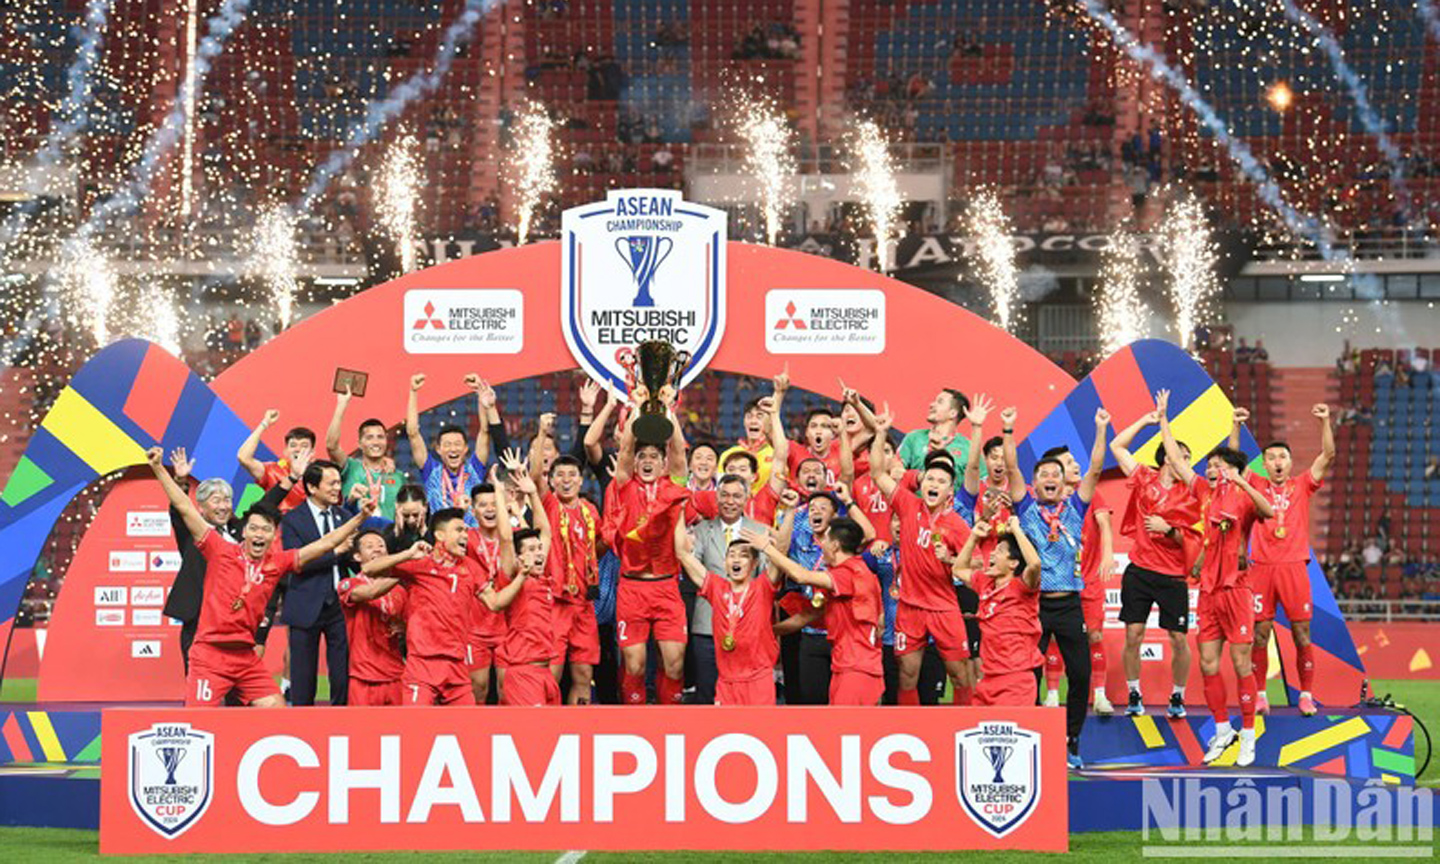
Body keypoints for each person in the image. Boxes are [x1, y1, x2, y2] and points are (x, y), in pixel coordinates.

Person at [144, 448, 373, 707]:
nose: (259, 533)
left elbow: (324, 544)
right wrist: (158, 469)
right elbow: (184, 508)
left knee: (276, 711)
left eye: (266, 529)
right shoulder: (219, 549)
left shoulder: (277, 563)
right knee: (198, 723)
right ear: (245, 532)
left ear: (273, 535)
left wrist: (360, 518)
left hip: (245, 657)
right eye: (253, 528)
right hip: (209, 654)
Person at [1158, 398, 1274, 766]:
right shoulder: (1205, 493)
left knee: (1242, 664)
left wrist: (1241, 477)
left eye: (1217, 465)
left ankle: (1250, 736)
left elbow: (1269, 511)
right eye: (1209, 465)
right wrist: (1163, 419)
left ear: (1233, 471)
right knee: (1208, 663)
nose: (1210, 469)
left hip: (1236, 590)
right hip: (1208, 592)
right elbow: (1177, 461)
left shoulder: (1243, 496)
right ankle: (1224, 731)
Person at [1005, 405, 1109, 768]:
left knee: (1080, 674)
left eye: (1056, 473)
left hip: (1069, 606)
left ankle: (1072, 740)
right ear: (1035, 485)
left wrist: (1100, 430)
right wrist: (1007, 431)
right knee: (1028, 674)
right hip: (1032, 605)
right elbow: (1013, 467)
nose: (1050, 477)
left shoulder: (1075, 510)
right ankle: (1033, 737)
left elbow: (1095, 468)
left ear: (1065, 483)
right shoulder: (1027, 510)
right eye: (1044, 473)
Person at [1228, 403, 1335, 716]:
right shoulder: (1256, 484)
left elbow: (1327, 455)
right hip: (1260, 568)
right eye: (1271, 457)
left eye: (1282, 457)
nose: (1277, 462)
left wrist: (1325, 421)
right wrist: (1235, 426)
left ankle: (1306, 695)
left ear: (1290, 463)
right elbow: (1232, 464)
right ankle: (1260, 694)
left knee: (1303, 634)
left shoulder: (1301, 484)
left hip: (1294, 568)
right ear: (1264, 463)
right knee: (1260, 635)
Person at [869, 408, 974, 707]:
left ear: (949, 490)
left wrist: (951, 561)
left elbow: (975, 565)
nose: (934, 484)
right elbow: (877, 472)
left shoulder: (957, 524)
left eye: (941, 481)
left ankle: (963, 731)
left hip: (944, 607)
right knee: (907, 674)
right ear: (921, 482)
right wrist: (880, 434)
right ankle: (910, 730)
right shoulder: (907, 505)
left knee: (960, 675)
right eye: (930, 478)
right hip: (910, 607)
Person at [159, 447, 291, 670]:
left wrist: (293, 477)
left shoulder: (242, 530)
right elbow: (179, 510)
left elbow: (267, 504)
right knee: (197, 678)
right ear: (200, 507)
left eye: (227, 500)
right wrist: (181, 481)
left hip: (235, 619)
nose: (223, 506)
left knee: (237, 684)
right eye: (216, 500)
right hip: (199, 616)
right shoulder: (194, 531)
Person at [1110, 407, 1202, 718]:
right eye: (1181, 456)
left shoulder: (1193, 494)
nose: (1185, 464)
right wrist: (1145, 420)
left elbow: (1196, 541)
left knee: (1178, 639)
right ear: (1166, 458)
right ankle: (1134, 692)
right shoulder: (1143, 478)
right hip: (1139, 571)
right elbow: (1117, 447)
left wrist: (1170, 530)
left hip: (1173, 575)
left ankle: (1178, 696)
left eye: (1188, 459)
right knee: (1133, 634)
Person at [604, 382, 691, 705]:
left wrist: (668, 409)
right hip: (633, 589)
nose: (648, 460)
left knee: (674, 664)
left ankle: (669, 719)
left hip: (667, 588)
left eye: (655, 455)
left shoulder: (674, 485)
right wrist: (639, 407)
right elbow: (625, 451)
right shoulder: (625, 485)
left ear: (663, 462)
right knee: (635, 664)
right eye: (643, 456)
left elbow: (680, 451)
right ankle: (635, 719)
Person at [746, 518, 884, 705]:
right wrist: (766, 630)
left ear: (835, 545)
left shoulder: (850, 573)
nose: (821, 545)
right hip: (846, 665)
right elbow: (808, 615)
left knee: (850, 729)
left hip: (857, 668)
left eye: (824, 540)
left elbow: (801, 576)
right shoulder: (846, 575)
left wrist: (768, 549)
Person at [1035, 444, 1118, 716]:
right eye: (1068, 463)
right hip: (1056, 583)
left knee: (1093, 636)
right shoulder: (1043, 502)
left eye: (1073, 461)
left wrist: (1107, 554)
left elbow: (1104, 523)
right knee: (1054, 639)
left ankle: (1101, 695)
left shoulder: (1089, 493)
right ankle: (1051, 694)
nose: (1075, 466)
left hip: (1089, 579)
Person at [681, 473, 776, 704]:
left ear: (746, 499)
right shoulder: (703, 529)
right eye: (724, 495)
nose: (729, 501)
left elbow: (769, 574)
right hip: (708, 622)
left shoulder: (761, 531)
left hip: (749, 626)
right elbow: (690, 564)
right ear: (716, 497)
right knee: (707, 693)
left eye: (736, 496)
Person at [280, 460, 356, 706]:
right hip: (305, 604)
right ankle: (303, 727)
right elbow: (296, 561)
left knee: (342, 673)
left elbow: (353, 562)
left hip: (340, 606)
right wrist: (335, 552)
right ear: (312, 487)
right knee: (303, 678)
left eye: (339, 482)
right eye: (331, 483)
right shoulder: (293, 519)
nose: (338, 488)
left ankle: (340, 725)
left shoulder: (345, 517)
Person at [944, 517, 1043, 705]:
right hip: (987, 680)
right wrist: (973, 537)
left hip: (1015, 681)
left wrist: (1016, 529)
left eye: (999, 552)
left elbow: (1035, 564)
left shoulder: (1024, 587)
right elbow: (958, 569)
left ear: (1013, 563)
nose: (991, 555)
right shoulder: (984, 583)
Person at [537, 454, 604, 704]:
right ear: (551, 481)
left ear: (581, 480)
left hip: (584, 604)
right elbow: (534, 478)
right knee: (551, 674)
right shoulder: (549, 506)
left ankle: (579, 727)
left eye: (572, 475)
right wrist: (543, 435)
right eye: (560, 476)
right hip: (557, 602)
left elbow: (595, 548)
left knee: (584, 674)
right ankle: (547, 728)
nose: (566, 481)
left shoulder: (590, 511)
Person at [405, 373, 500, 524]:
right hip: (441, 539)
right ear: (438, 449)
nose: (453, 449)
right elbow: (412, 433)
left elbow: (484, 431)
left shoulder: (474, 468)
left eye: (457, 444)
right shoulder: (431, 470)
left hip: (472, 539)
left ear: (465, 449)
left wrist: (480, 392)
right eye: (447, 445)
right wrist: (413, 392)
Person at [336, 530, 409, 706]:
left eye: (381, 546)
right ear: (357, 556)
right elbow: (370, 592)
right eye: (370, 547)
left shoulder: (400, 592)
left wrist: (404, 627)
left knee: (402, 730)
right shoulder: (349, 584)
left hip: (396, 675)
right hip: (363, 676)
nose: (377, 550)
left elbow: (413, 626)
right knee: (363, 732)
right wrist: (405, 567)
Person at [325, 385, 406, 521]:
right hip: (355, 536)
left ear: (386, 441)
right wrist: (342, 405)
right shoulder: (350, 467)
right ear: (360, 444)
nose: (376, 442)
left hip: (386, 539)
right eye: (369, 437)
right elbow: (331, 445)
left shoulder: (398, 476)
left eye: (380, 437)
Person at [463, 482, 509, 703]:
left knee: (507, 690)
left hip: (508, 627)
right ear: (473, 510)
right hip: (475, 627)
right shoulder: (466, 538)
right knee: (478, 689)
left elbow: (541, 538)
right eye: (483, 505)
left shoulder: (513, 539)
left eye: (494, 504)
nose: (490, 509)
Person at [236, 410, 313, 512]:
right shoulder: (273, 470)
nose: (298, 450)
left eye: (304, 446)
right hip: (277, 525)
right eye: (293, 445)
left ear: (312, 452)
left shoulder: (319, 476)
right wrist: (264, 424)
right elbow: (243, 457)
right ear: (285, 451)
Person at [897, 388, 972, 479]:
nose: (931, 405)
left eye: (940, 402)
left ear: (953, 413)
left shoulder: (968, 447)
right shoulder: (914, 437)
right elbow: (897, 468)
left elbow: (981, 482)